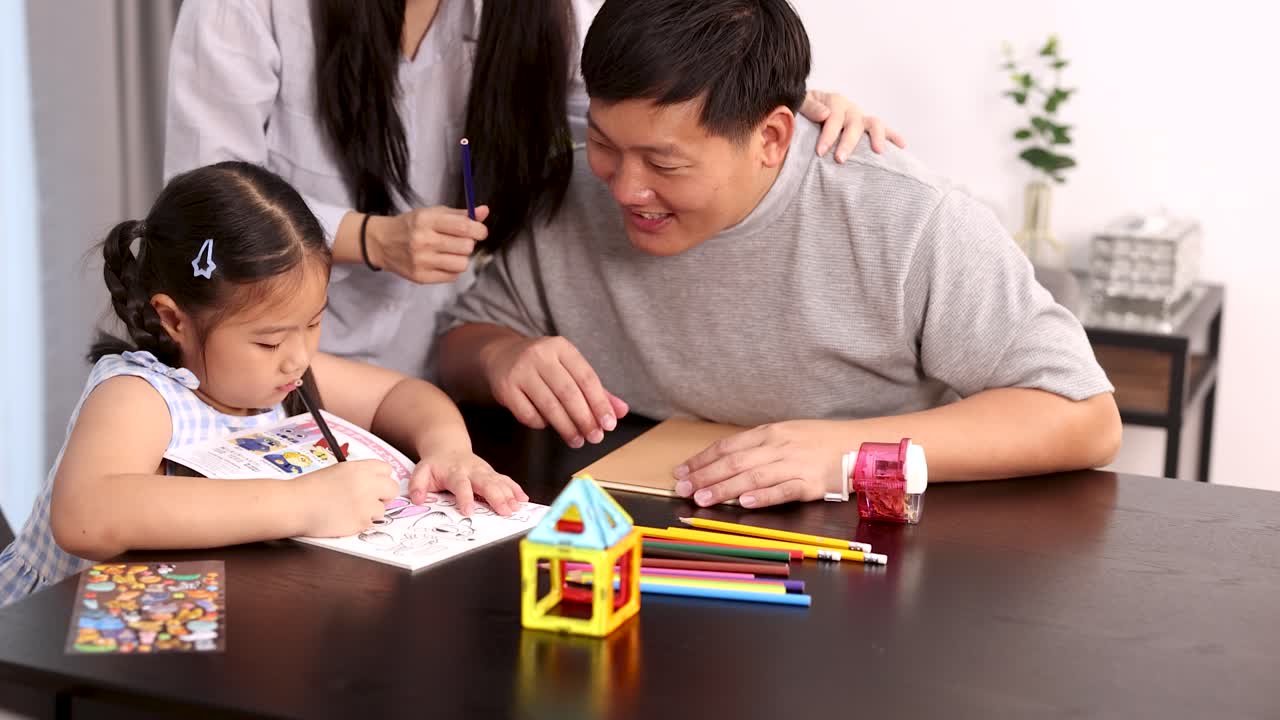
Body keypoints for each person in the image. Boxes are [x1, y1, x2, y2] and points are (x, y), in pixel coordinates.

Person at [437, 0, 1122, 509]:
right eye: (607, 144)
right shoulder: (570, 189)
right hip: (628, 524)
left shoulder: (908, 218)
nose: (624, 188)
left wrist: (846, 453)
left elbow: (1083, 418)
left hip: (855, 550)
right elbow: (460, 341)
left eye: (664, 164)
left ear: (771, 138)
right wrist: (501, 355)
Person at [164, 0, 902, 380]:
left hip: (417, 375)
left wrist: (786, 104)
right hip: (253, 358)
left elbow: (626, 111)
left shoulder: (518, 15)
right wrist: (371, 238)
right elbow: (205, 196)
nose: (632, 186)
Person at [0, 162, 524, 608]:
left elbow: (401, 395)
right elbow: (85, 517)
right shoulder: (141, 395)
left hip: (184, 615)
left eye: (313, 323)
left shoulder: (287, 374)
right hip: (53, 641)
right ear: (175, 319)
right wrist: (301, 504)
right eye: (269, 341)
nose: (298, 356)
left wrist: (449, 449)